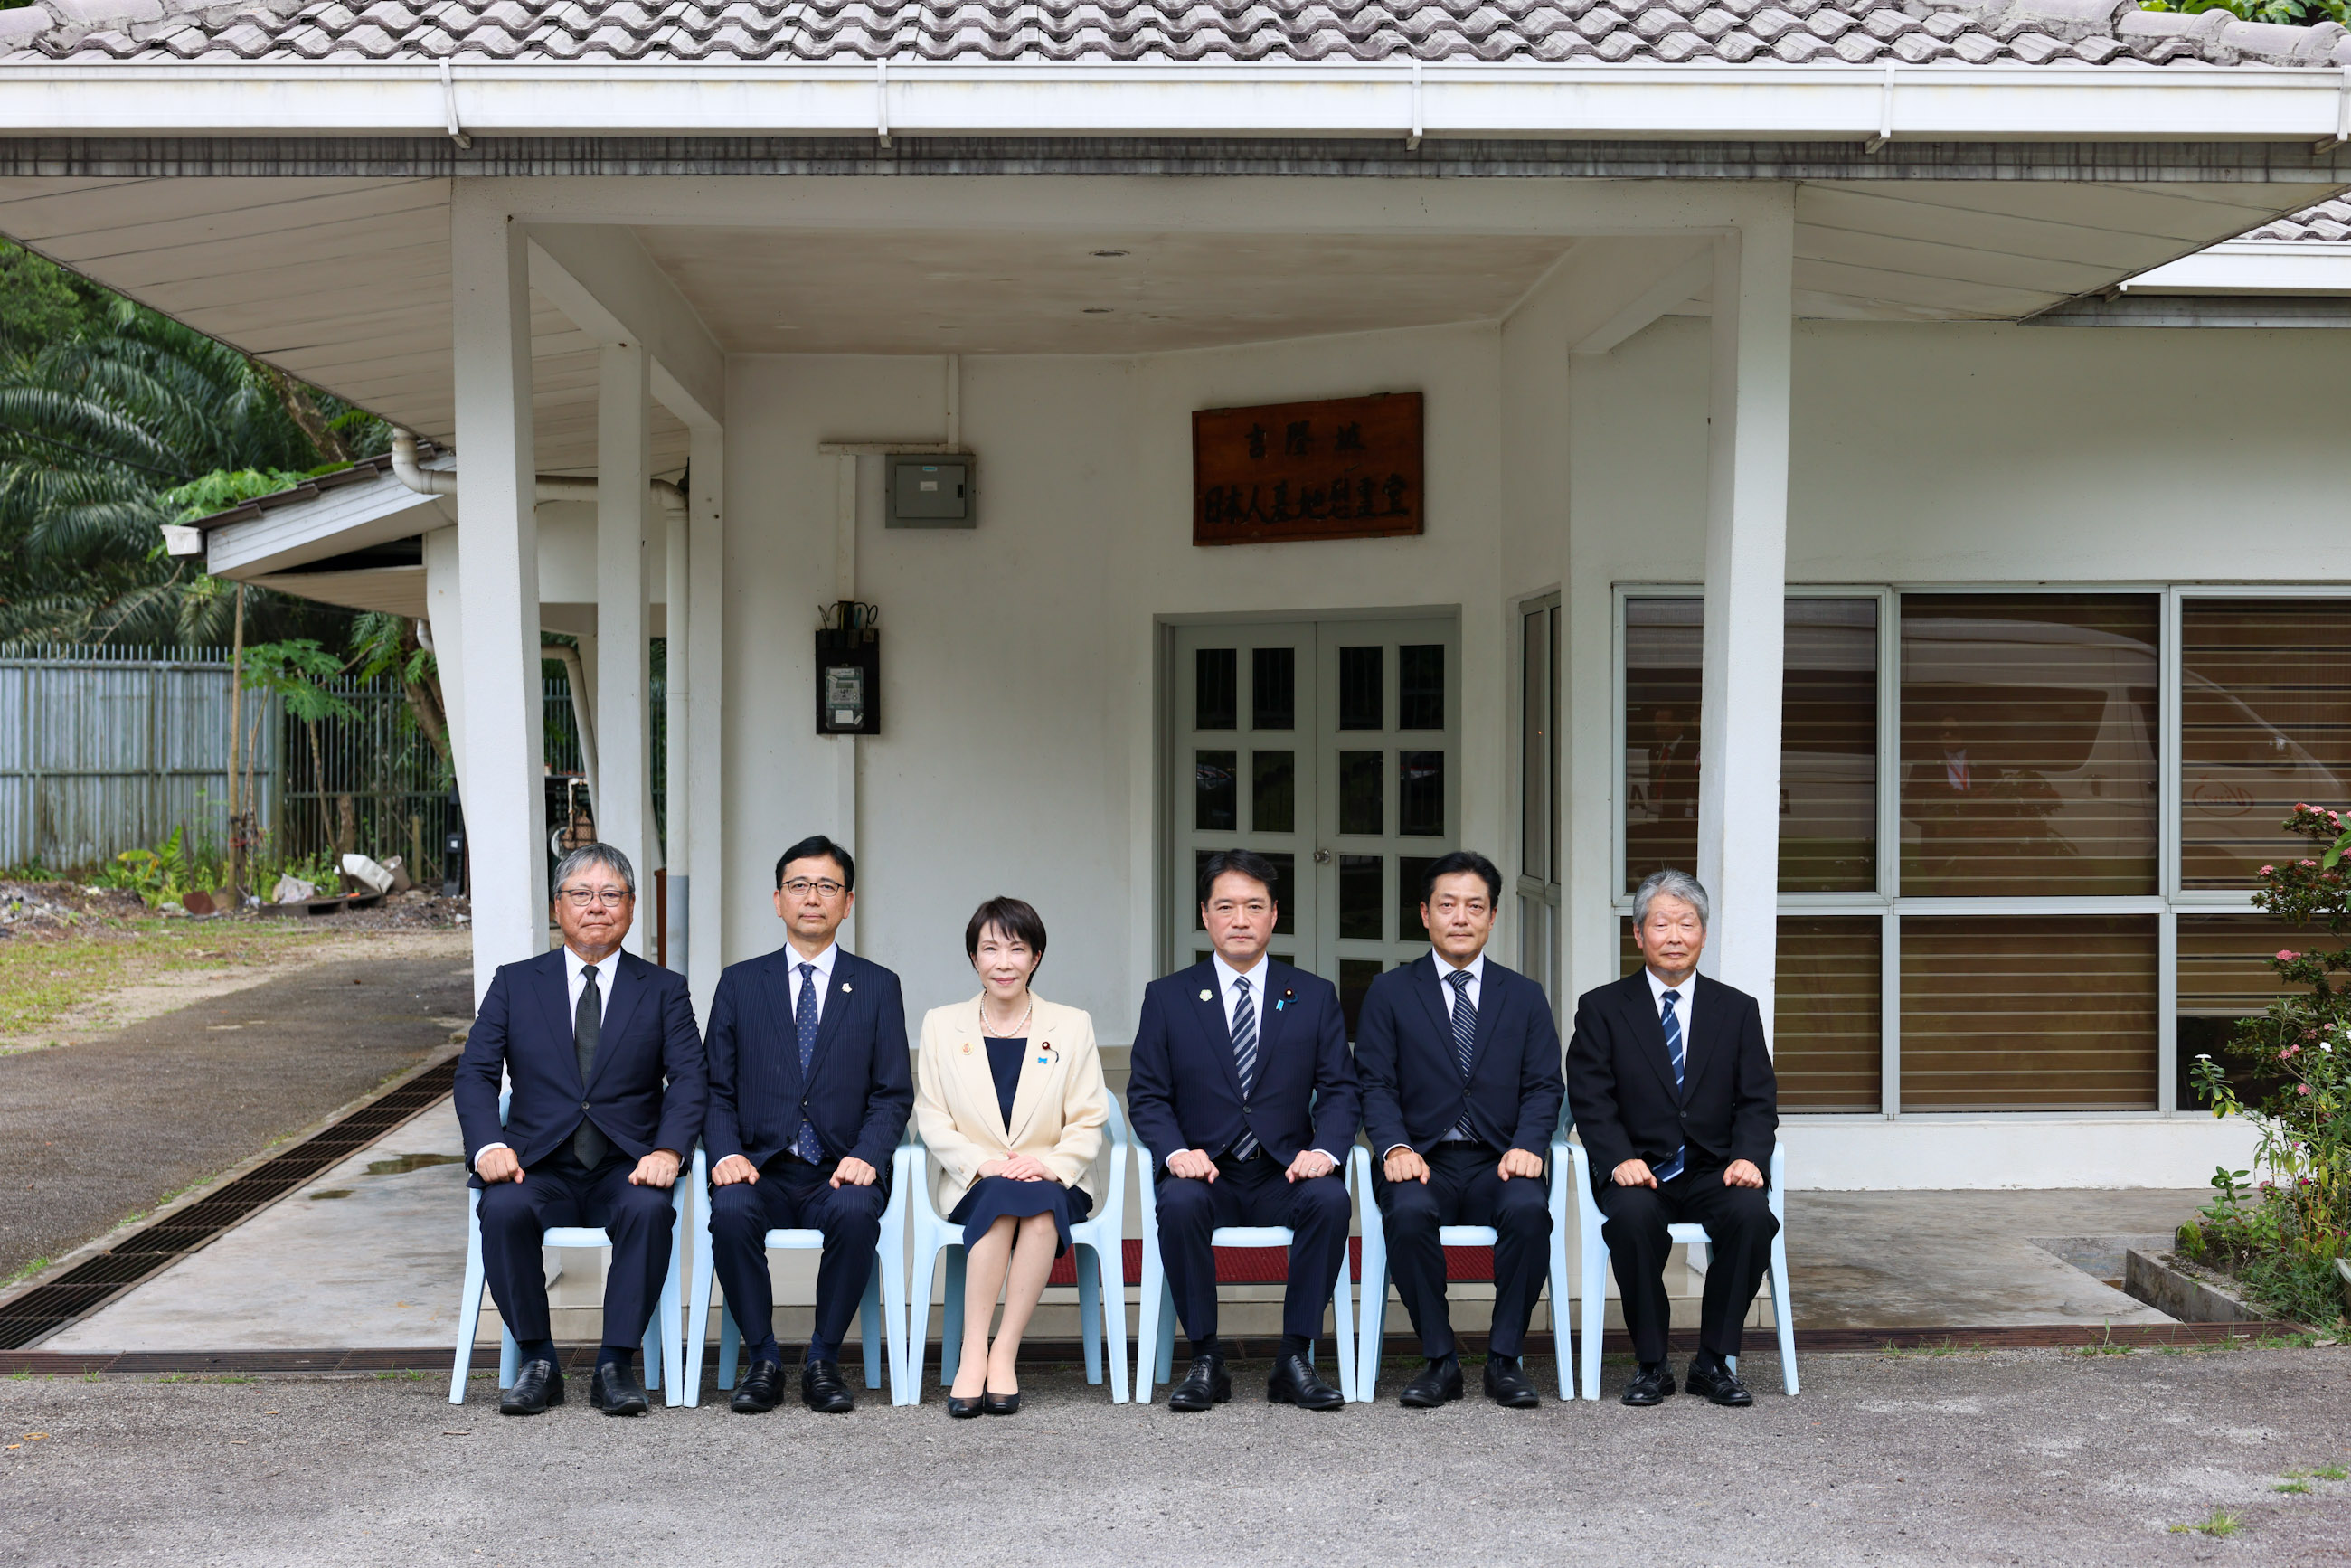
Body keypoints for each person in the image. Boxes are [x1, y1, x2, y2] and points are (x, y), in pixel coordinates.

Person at [453, 843, 705, 1418]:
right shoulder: (516, 983)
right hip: (536, 1163)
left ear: (632, 907)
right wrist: (488, 1145)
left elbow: (691, 1079)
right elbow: (474, 1075)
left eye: (611, 894)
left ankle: (616, 1363)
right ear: (557, 906)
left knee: (648, 1211)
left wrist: (669, 1149)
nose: (597, 906)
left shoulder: (663, 989)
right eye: (581, 894)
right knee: (503, 1208)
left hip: (626, 1164)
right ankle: (539, 1362)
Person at [1127, 848, 1361, 1413]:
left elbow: (1340, 1090)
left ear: (1274, 915)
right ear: (1205, 916)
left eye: (1253, 906)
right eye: (1225, 906)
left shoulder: (1313, 994)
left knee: (1330, 1201)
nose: (1240, 919)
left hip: (1286, 1168)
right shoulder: (1168, 997)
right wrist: (1176, 1152)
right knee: (1178, 1204)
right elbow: (1147, 1094)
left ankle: (1294, 1357)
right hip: (1206, 1170)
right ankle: (1206, 1358)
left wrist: (1325, 1149)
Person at [703, 835, 912, 1415]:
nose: (812, 898)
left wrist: (870, 1153)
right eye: (798, 886)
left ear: (849, 901)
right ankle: (764, 1358)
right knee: (731, 1210)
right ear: (777, 900)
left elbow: (892, 1092)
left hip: (839, 1167)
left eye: (827, 886)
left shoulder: (877, 986)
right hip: (761, 1166)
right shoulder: (740, 984)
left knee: (854, 1212)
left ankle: (822, 1359)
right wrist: (724, 1154)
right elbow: (714, 1089)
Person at [1355, 850, 1563, 1409]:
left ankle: (1503, 1359)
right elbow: (1374, 1083)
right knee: (1407, 1211)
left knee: (1526, 1211)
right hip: (1422, 1156)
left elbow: (1545, 1085)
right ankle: (1440, 1359)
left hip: (1500, 1158)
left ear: (1494, 917)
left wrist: (1528, 1144)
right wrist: (1394, 1145)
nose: (1461, 917)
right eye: (1448, 905)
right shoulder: (1390, 992)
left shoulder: (1523, 995)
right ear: (1425, 914)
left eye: (1475, 906)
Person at [1564, 867, 1779, 1408]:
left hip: (1714, 1168)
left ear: (1704, 934)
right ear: (1639, 935)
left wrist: (1750, 1157)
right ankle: (1652, 1364)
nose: (1676, 936)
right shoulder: (1603, 1009)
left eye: (1688, 924)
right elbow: (1591, 1099)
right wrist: (1616, 1160)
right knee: (1633, 1221)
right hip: (1638, 1169)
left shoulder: (1737, 1009)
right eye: (1662, 924)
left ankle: (1713, 1361)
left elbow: (1758, 1099)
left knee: (1753, 1217)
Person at [912, 898, 1109, 1418]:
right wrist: (982, 1163)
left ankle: (1001, 1351)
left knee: (1042, 1204)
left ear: (1036, 957)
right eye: (990, 949)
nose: (1004, 962)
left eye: (1017, 949)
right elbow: (931, 1117)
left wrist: (1053, 1166)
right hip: (973, 1176)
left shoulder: (1071, 1025)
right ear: (974, 958)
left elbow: (1089, 1116)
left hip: (1054, 1173)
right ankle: (975, 1352)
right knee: (1004, 1199)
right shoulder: (941, 1025)